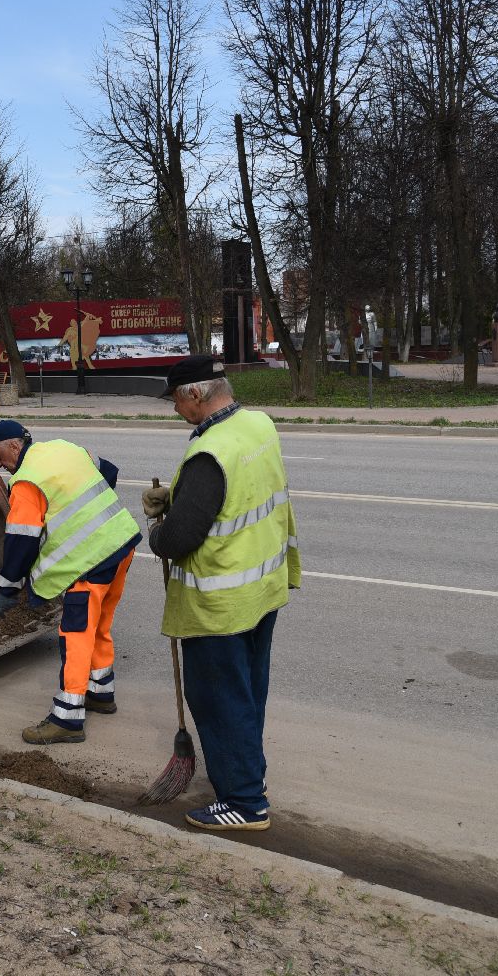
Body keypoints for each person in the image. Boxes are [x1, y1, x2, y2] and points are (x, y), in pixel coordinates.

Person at [144, 355, 300, 832]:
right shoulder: (258, 425)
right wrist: (181, 498)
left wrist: (158, 526)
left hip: (221, 605)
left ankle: (245, 802)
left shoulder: (208, 453)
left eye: (174, 399)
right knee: (249, 691)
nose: (173, 410)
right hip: (262, 589)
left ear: (195, 394)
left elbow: (178, 539)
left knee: (219, 698)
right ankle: (251, 778)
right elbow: (238, 494)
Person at [0, 419, 142, 745]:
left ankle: (67, 718)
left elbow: (20, 541)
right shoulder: (64, 448)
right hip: (121, 546)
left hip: (89, 564)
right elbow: (108, 472)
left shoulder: (26, 482)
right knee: (99, 625)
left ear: (13, 445)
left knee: (76, 635)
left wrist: (7, 587)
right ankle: (101, 692)